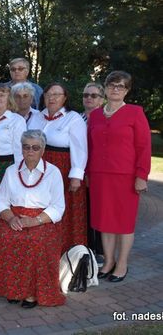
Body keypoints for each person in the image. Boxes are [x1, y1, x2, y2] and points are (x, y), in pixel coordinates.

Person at [88, 71, 151, 282]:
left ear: (127, 90)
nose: (116, 89)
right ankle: (108, 261)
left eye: (121, 86)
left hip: (125, 176)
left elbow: (143, 147)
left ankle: (122, 264)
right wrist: (87, 172)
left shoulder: (135, 112)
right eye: (113, 85)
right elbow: (90, 146)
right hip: (99, 176)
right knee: (104, 220)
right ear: (105, 88)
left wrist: (141, 175)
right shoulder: (95, 115)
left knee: (123, 222)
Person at [0, 130, 65, 308]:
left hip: (41, 219)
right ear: (21, 149)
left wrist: (35, 220)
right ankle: (12, 289)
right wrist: (9, 218)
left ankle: (31, 293)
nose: (30, 151)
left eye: (35, 147)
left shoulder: (53, 172)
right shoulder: (11, 170)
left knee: (35, 241)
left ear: (43, 150)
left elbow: (58, 207)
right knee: (4, 237)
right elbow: (0, 200)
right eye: (26, 147)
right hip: (14, 217)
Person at [31, 83, 88, 254]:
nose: (52, 98)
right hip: (39, 166)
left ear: (65, 98)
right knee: (40, 205)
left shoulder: (73, 118)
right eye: (48, 94)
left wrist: (76, 176)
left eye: (57, 94)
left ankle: (67, 251)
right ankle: (42, 247)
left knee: (63, 209)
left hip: (63, 168)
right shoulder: (37, 117)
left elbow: (80, 148)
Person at [80, 82, 105, 265]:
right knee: (85, 210)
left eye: (94, 95)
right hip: (79, 171)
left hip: (99, 172)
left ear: (102, 99)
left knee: (101, 210)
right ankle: (87, 247)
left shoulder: (105, 119)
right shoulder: (76, 119)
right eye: (86, 95)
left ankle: (102, 250)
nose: (89, 98)